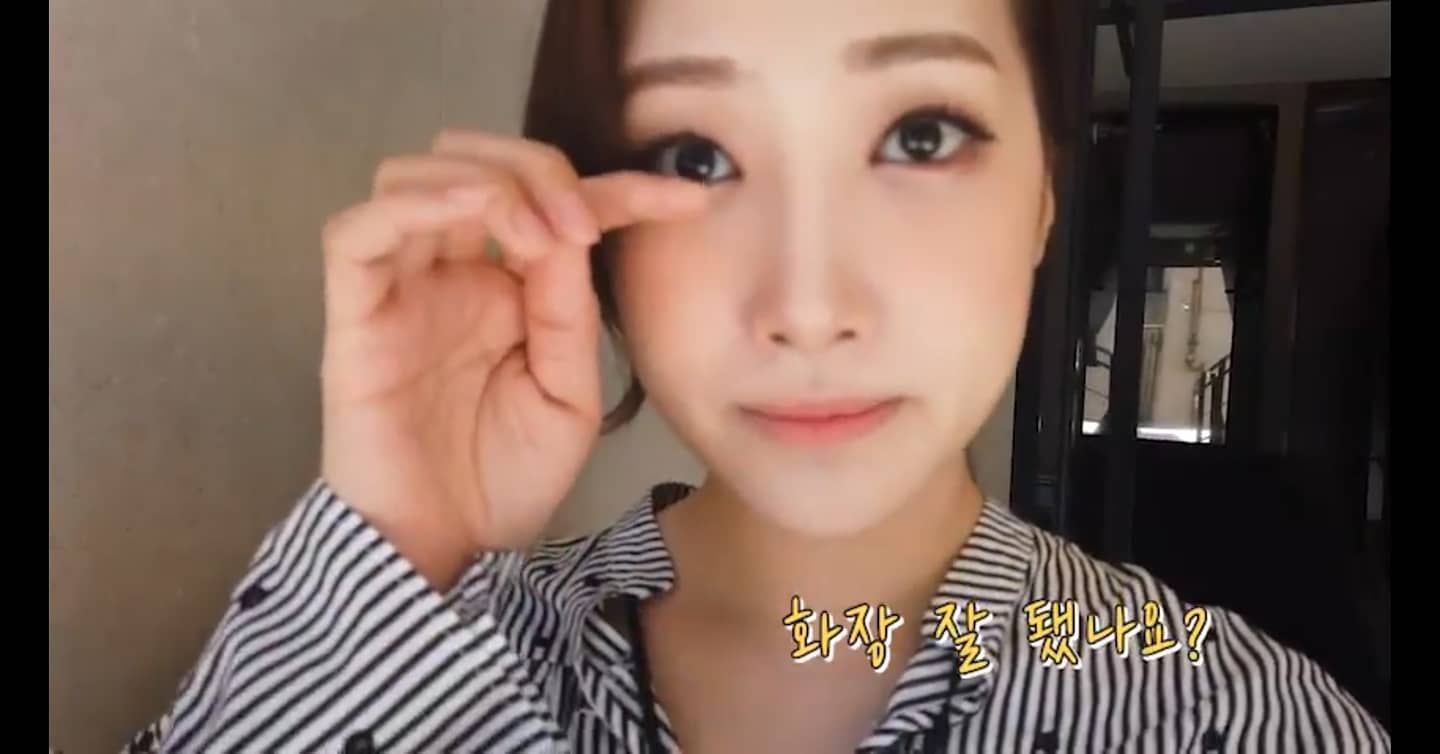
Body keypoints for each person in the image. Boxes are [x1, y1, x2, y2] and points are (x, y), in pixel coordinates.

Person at [122, 0, 1390, 751]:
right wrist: (393, 538)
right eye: (697, 155)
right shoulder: (412, 649)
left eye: (921, 135)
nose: (809, 306)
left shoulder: (1232, 718)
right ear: (592, 225)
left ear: (1047, 194)